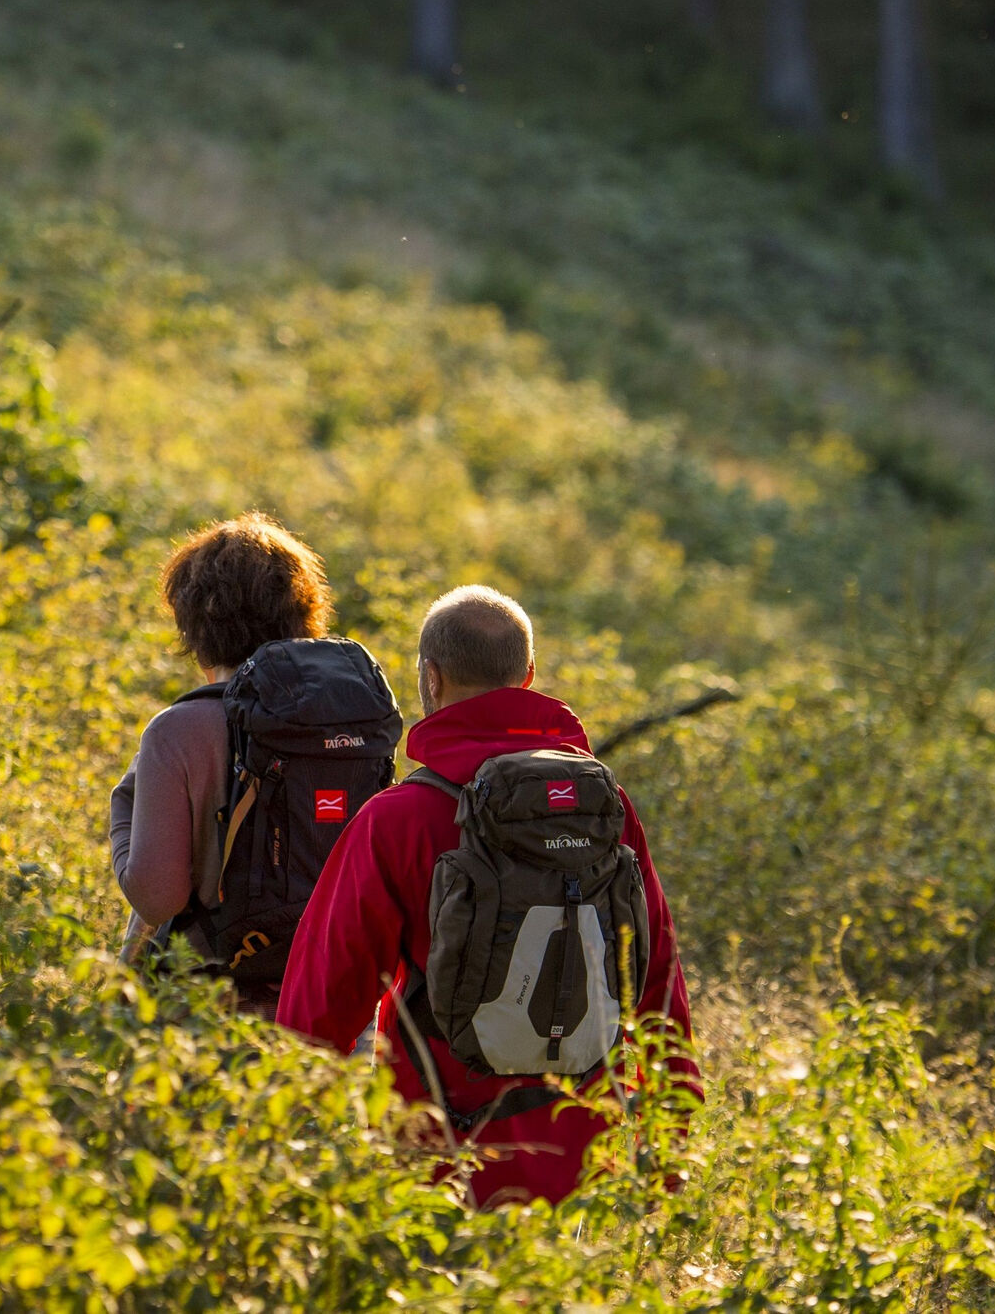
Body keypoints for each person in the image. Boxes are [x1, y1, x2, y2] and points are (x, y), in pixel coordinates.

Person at [277, 585, 697, 1207]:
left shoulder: (396, 818)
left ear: (431, 676)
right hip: (585, 1155)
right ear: (528, 675)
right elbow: (657, 974)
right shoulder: (604, 808)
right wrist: (669, 1146)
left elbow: (322, 1000)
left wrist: (280, 1135)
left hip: (439, 1154)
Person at [111, 512, 336, 1014]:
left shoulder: (179, 730)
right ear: (303, 616)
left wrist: (123, 810)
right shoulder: (345, 722)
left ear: (195, 626)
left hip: (207, 1006)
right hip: (320, 996)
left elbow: (157, 897)